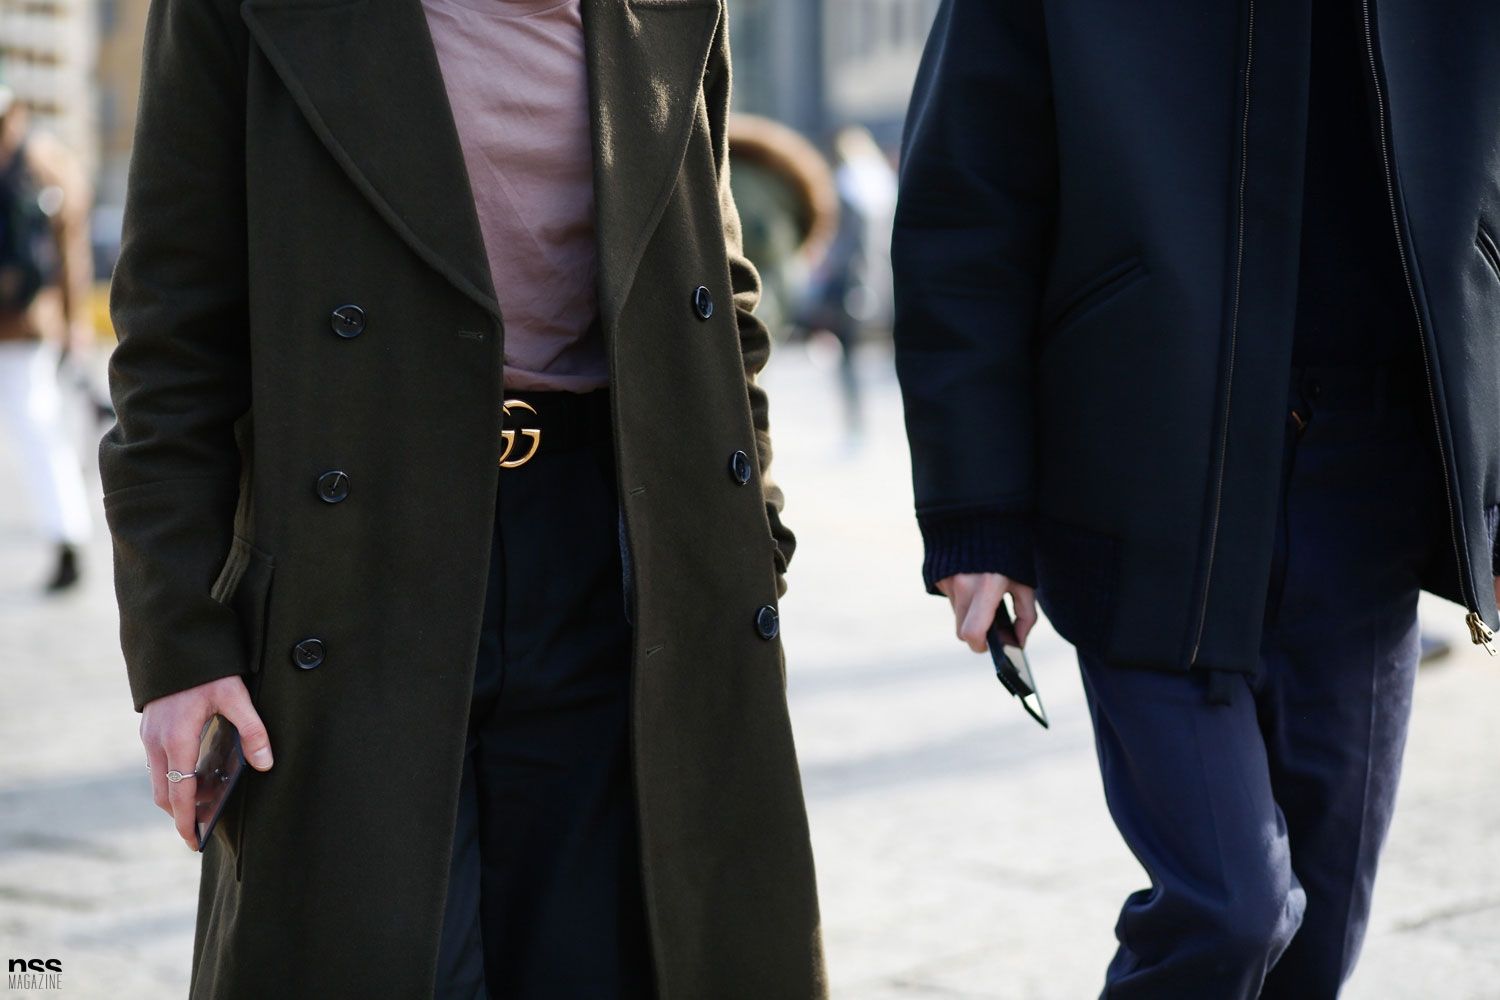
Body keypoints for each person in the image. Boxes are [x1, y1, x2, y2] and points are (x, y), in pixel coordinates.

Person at [100, 0, 824, 997]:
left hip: (614, 548)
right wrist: (179, 643)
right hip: (358, 548)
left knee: (602, 963)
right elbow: (173, 334)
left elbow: (714, 284)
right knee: (379, 955)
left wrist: (754, 534)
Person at [893, 2, 1500, 997]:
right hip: (1141, 480)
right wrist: (977, 513)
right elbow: (966, 208)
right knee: (1230, 909)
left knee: (1318, 940)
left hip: (1372, 493)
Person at [0, 82, 94, 592]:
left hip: (23, 325)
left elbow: (68, 249)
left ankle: (67, 538)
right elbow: (70, 249)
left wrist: (75, 321)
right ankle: (67, 537)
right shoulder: (47, 158)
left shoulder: (40, 162)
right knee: (40, 429)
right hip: (28, 322)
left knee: (38, 428)